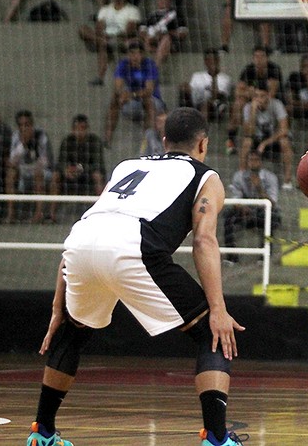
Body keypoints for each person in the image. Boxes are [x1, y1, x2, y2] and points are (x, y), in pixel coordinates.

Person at [25, 107, 247, 446]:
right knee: (212, 333)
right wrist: (218, 307)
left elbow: (87, 230)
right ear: (203, 144)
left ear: (163, 141)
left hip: (80, 242)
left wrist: (59, 307)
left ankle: (42, 433)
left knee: (71, 331)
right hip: (134, 246)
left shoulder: (127, 166)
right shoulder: (206, 176)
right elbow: (204, 239)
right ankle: (217, 438)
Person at [223, 149, 282, 264]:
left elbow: (272, 202)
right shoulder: (239, 176)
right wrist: (242, 207)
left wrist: (259, 188)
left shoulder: (270, 177)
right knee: (228, 215)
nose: (253, 163)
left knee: (271, 217)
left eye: (256, 160)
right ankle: (231, 257)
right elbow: (235, 197)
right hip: (244, 211)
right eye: (251, 160)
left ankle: (265, 257)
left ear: (261, 162)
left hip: (263, 212)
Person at [104, 40, 166, 148]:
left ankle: (149, 141)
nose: (134, 56)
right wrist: (121, 94)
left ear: (142, 54)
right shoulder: (123, 65)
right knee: (114, 98)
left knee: (148, 101)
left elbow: (148, 90)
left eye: (137, 53)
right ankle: (107, 138)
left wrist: (131, 95)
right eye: (131, 53)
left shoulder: (149, 65)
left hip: (154, 102)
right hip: (132, 103)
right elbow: (118, 87)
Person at [79, 0, 142, 86]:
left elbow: (129, 30)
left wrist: (113, 36)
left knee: (104, 43)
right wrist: (103, 35)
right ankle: (101, 41)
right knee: (83, 29)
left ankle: (100, 77)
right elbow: (98, 28)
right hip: (104, 37)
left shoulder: (133, 10)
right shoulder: (105, 9)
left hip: (121, 39)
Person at [49, 114, 106, 221]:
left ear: (87, 129)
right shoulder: (67, 141)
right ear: (72, 129)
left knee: (98, 176)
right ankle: (51, 214)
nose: (80, 132)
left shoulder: (95, 141)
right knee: (55, 175)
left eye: (83, 128)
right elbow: (60, 162)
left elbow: (98, 164)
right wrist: (66, 169)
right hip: (70, 176)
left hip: (88, 175)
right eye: (77, 129)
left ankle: (102, 213)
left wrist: (81, 168)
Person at [239, 80, 294, 189]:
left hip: (273, 140)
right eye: (256, 96)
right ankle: (241, 179)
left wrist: (265, 143)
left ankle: (287, 181)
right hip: (257, 140)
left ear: (268, 95)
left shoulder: (277, 104)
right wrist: (253, 111)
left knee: (285, 142)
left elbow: (284, 129)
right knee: (246, 142)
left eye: (262, 96)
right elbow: (248, 132)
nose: (259, 99)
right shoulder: (248, 108)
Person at [4, 110, 54, 224]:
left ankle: (38, 214)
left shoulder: (41, 135)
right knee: (10, 174)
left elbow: (47, 161)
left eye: (27, 125)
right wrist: (23, 145)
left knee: (38, 173)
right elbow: (12, 162)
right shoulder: (16, 136)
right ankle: (11, 214)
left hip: (41, 172)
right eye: (21, 125)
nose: (24, 128)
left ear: (32, 124)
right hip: (23, 171)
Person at [139, 0, 187, 68]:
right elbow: (142, 29)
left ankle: (154, 68)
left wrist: (166, 34)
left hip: (170, 43)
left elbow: (183, 33)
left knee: (166, 39)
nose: (162, 1)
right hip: (152, 40)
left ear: (170, 1)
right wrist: (149, 36)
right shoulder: (152, 15)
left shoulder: (176, 15)